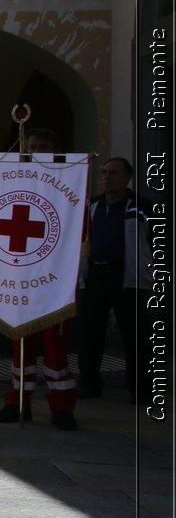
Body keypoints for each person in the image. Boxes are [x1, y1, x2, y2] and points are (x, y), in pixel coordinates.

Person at [0, 129, 80, 429]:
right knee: (21, 346)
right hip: (21, 279)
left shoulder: (70, 182)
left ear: (56, 149)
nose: (36, 152)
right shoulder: (14, 181)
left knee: (55, 350)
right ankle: (18, 401)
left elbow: (80, 234)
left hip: (55, 283)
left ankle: (62, 407)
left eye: (44, 147)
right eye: (31, 147)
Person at [79, 157, 151, 405]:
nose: (107, 177)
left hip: (127, 277)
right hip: (95, 276)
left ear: (127, 178)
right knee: (89, 332)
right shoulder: (93, 206)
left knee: (135, 335)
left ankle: (141, 389)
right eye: (104, 173)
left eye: (113, 173)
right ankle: (89, 383)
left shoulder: (140, 207)